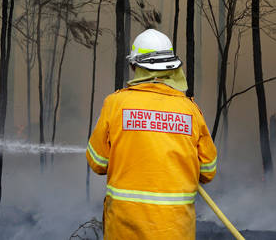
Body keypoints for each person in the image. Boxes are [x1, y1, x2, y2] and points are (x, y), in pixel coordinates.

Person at [86, 28, 218, 239]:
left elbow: (98, 163)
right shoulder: (190, 111)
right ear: (171, 67)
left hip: (124, 231)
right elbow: (208, 171)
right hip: (175, 232)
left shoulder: (115, 104)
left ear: (134, 66)